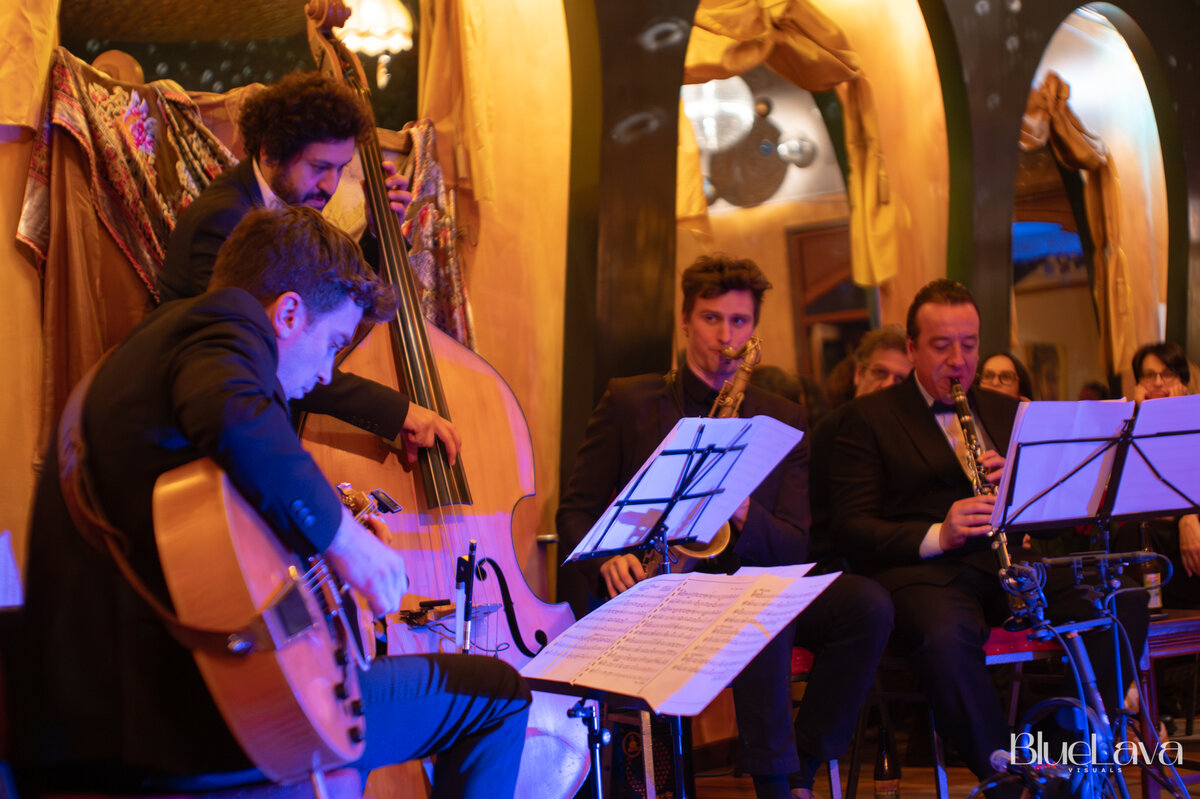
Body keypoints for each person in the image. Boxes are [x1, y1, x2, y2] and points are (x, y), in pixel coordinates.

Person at [2, 208, 530, 797]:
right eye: (333, 345)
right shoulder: (222, 329)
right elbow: (232, 414)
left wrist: (318, 554)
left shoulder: (153, 355)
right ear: (288, 313)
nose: (326, 374)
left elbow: (211, 549)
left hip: (96, 725)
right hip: (183, 725)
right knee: (500, 695)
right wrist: (346, 543)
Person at [557, 254, 893, 799]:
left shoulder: (783, 417)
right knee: (762, 614)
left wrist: (742, 510)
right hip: (659, 589)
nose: (725, 336)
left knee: (867, 605)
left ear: (753, 329)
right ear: (685, 320)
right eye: (711, 318)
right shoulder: (629, 401)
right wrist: (605, 559)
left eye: (739, 321)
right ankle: (775, 787)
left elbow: (793, 543)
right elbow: (575, 511)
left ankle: (801, 766)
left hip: (745, 579)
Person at [826, 279, 1148, 783]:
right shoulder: (865, 419)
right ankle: (1007, 781)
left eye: (969, 344)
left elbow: (1054, 516)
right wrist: (939, 533)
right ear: (912, 348)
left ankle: (1056, 757)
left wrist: (1022, 490)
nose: (958, 360)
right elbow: (851, 526)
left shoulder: (1007, 410)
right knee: (943, 635)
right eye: (941, 345)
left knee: (1120, 597)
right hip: (927, 575)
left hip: (1009, 568)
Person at [158, 70, 458, 466]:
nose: (330, 185)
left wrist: (378, 231)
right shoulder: (224, 220)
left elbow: (328, 299)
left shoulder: (279, 208)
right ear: (271, 151)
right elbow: (267, 353)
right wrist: (397, 410)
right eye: (319, 167)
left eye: (341, 167)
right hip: (199, 445)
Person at [808, 325, 911, 568]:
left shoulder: (911, 433)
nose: (888, 385)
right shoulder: (833, 428)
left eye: (900, 379)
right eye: (880, 372)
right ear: (858, 374)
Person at [1116, 342, 1200, 607]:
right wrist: (1146, 417)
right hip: (1159, 532)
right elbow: (1137, 496)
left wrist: (1188, 516)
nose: (1158, 382)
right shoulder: (1128, 429)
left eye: (1168, 374)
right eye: (1149, 375)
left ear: (1183, 382)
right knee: (1134, 536)